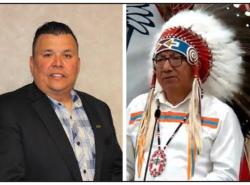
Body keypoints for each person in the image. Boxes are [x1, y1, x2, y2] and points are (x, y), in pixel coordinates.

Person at [126, 9, 244, 181]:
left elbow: (226, 175)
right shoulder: (137, 108)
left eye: (175, 58)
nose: (166, 67)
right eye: (160, 59)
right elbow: (126, 167)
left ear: (195, 67)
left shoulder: (220, 115)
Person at [0, 21, 122, 181]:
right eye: (48, 55)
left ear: (77, 64)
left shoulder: (99, 109)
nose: (58, 63)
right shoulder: (8, 109)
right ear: (32, 63)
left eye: (67, 56)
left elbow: (117, 170)